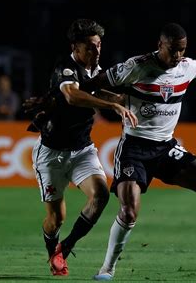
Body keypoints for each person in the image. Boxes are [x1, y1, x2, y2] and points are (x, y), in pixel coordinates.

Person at [83, 22, 196, 281]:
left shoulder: (186, 67)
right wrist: (114, 102)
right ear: (160, 45)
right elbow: (92, 84)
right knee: (129, 211)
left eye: (182, 50)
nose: (177, 56)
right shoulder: (137, 67)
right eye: (173, 50)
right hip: (134, 148)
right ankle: (107, 269)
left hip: (166, 147)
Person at [23, 18, 138, 277]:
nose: (96, 51)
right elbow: (72, 95)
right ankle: (52, 248)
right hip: (51, 154)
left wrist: (129, 97)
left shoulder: (95, 70)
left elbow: (106, 94)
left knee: (100, 195)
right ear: (75, 47)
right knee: (56, 219)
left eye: (98, 45)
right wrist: (114, 105)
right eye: (89, 47)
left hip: (82, 150)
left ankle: (63, 250)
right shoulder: (65, 67)